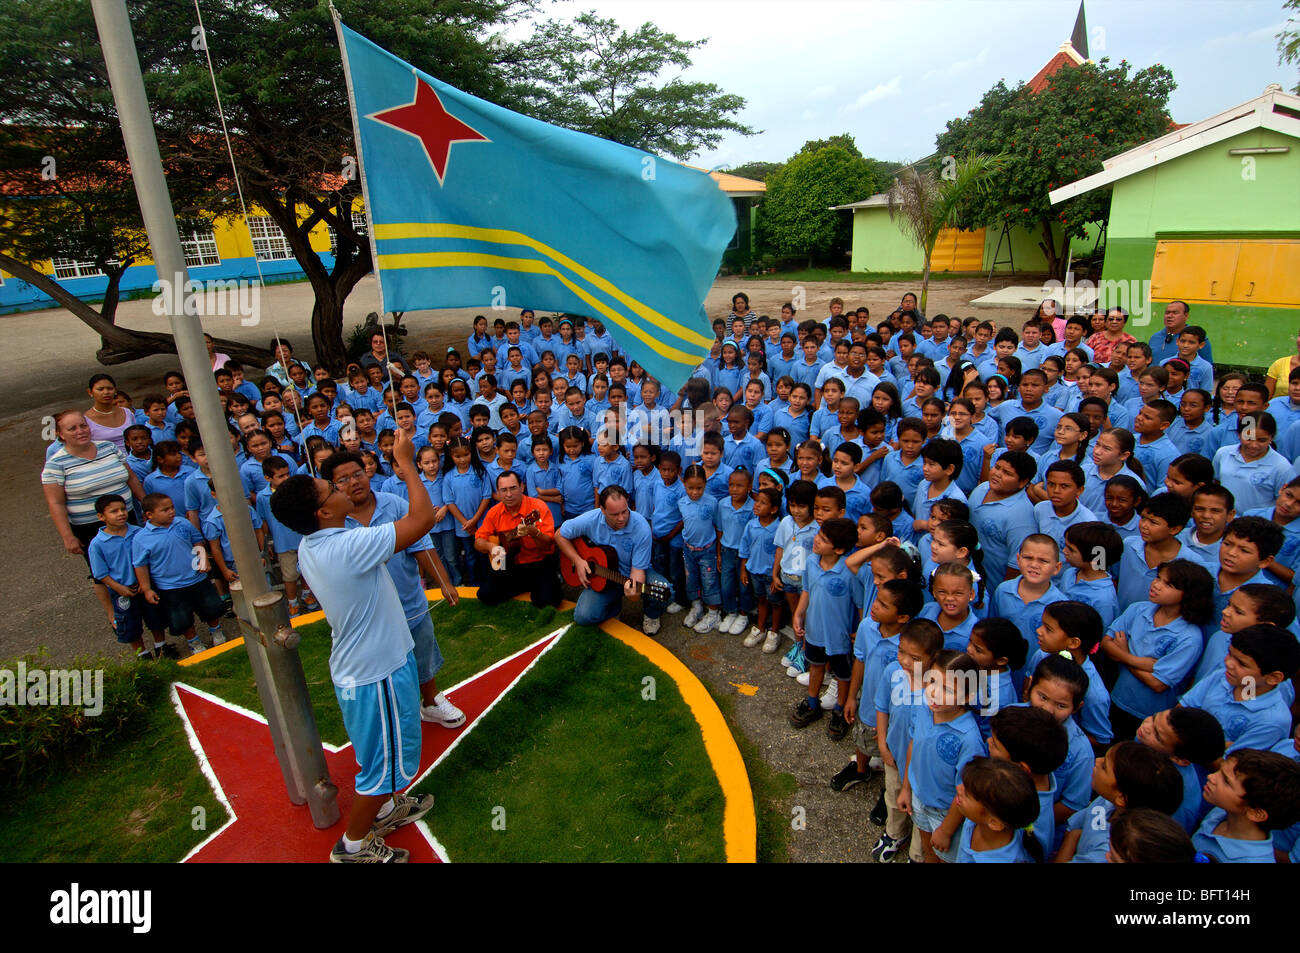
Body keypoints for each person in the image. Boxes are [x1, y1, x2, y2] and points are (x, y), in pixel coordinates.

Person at [270, 425, 437, 863]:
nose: (346, 484)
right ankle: (354, 846)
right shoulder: (346, 546)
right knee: (380, 768)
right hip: (374, 673)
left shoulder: (319, 542)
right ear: (325, 512)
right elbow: (422, 520)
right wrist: (406, 465)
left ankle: (384, 809)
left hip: (376, 665)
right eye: (332, 488)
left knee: (384, 756)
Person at [42, 410, 146, 628]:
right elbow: (56, 503)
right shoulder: (55, 464)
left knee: (140, 561)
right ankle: (114, 614)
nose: (80, 431)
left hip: (126, 517)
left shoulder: (109, 448)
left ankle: (148, 602)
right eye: (72, 429)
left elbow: (131, 477)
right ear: (60, 434)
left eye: (83, 426)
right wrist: (67, 536)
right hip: (90, 527)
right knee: (102, 573)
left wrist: (145, 503)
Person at [555, 486, 670, 632]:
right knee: (582, 617)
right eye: (615, 514)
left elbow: (638, 571)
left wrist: (634, 595)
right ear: (602, 510)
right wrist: (577, 560)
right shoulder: (591, 519)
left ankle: (652, 614)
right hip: (603, 577)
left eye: (624, 511)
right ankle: (614, 606)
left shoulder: (641, 527)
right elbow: (559, 535)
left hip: (630, 573)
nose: (621, 518)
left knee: (666, 589)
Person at [474, 470, 562, 607]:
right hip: (509, 561)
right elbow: (478, 541)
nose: (508, 494)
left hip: (539, 560)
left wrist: (534, 533)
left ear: (522, 487)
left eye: (513, 488)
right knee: (485, 595)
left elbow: (548, 544)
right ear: (498, 492)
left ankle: (531, 585)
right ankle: (527, 585)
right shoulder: (494, 512)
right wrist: (491, 547)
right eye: (503, 490)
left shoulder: (538, 508)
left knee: (548, 601)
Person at [85, 374, 135, 453]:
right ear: (90, 392)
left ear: (115, 390)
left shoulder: (127, 412)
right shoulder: (85, 420)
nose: (106, 392)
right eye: (100, 389)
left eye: (110, 388)